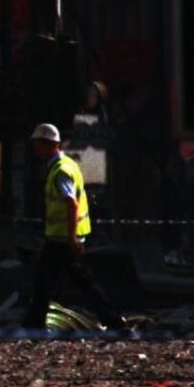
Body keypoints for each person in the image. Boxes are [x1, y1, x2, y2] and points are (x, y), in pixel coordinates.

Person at [23, 123, 126, 329]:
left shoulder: (60, 171)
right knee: (71, 282)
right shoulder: (67, 165)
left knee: (50, 282)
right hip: (62, 238)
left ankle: (34, 325)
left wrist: (71, 238)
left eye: (38, 145)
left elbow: (71, 202)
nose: (35, 150)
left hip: (62, 239)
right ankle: (112, 320)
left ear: (50, 145)